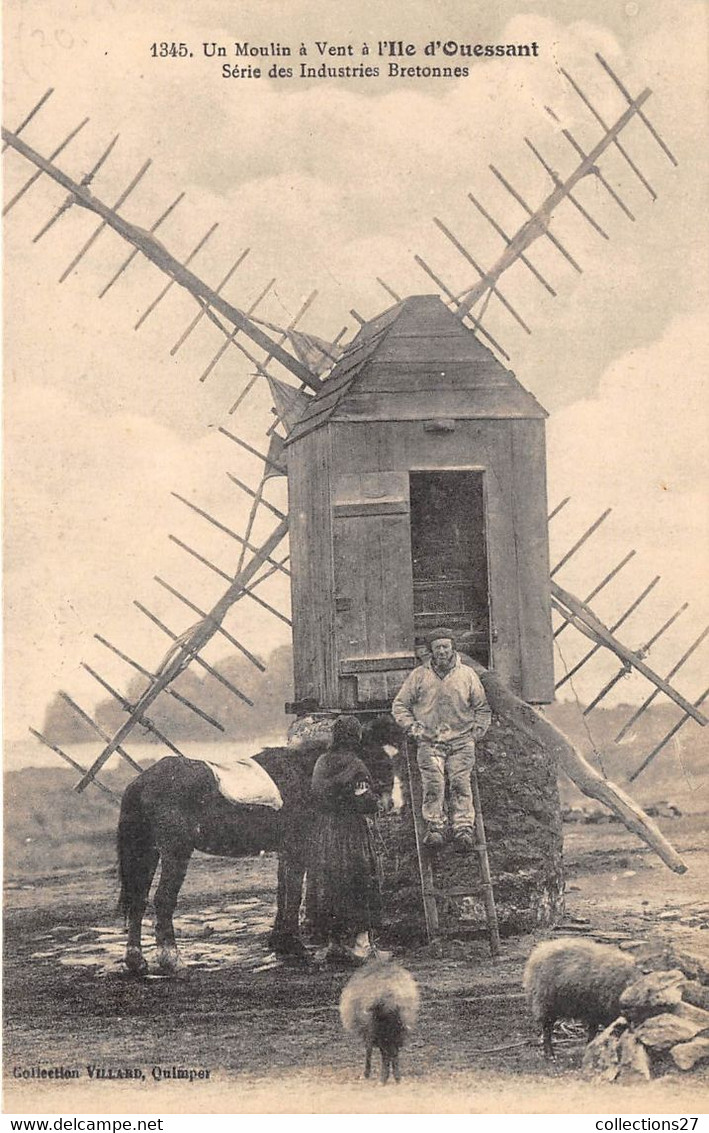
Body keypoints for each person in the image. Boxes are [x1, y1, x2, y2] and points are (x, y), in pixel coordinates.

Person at [392, 627, 491, 854]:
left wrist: (477, 731)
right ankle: (435, 827)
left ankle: (463, 827)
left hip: (461, 740)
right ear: (431, 651)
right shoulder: (419, 675)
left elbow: (482, 707)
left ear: (453, 648)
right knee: (434, 784)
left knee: (460, 782)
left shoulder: (467, 675)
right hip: (430, 741)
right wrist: (413, 727)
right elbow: (399, 705)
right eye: (437, 648)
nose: (442, 651)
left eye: (446, 646)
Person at [305, 715, 387, 964]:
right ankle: (362, 945)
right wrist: (376, 802)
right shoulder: (355, 765)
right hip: (350, 833)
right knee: (360, 883)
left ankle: (335, 944)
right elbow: (364, 803)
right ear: (355, 737)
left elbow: (316, 794)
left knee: (329, 885)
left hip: (325, 833)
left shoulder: (321, 762)